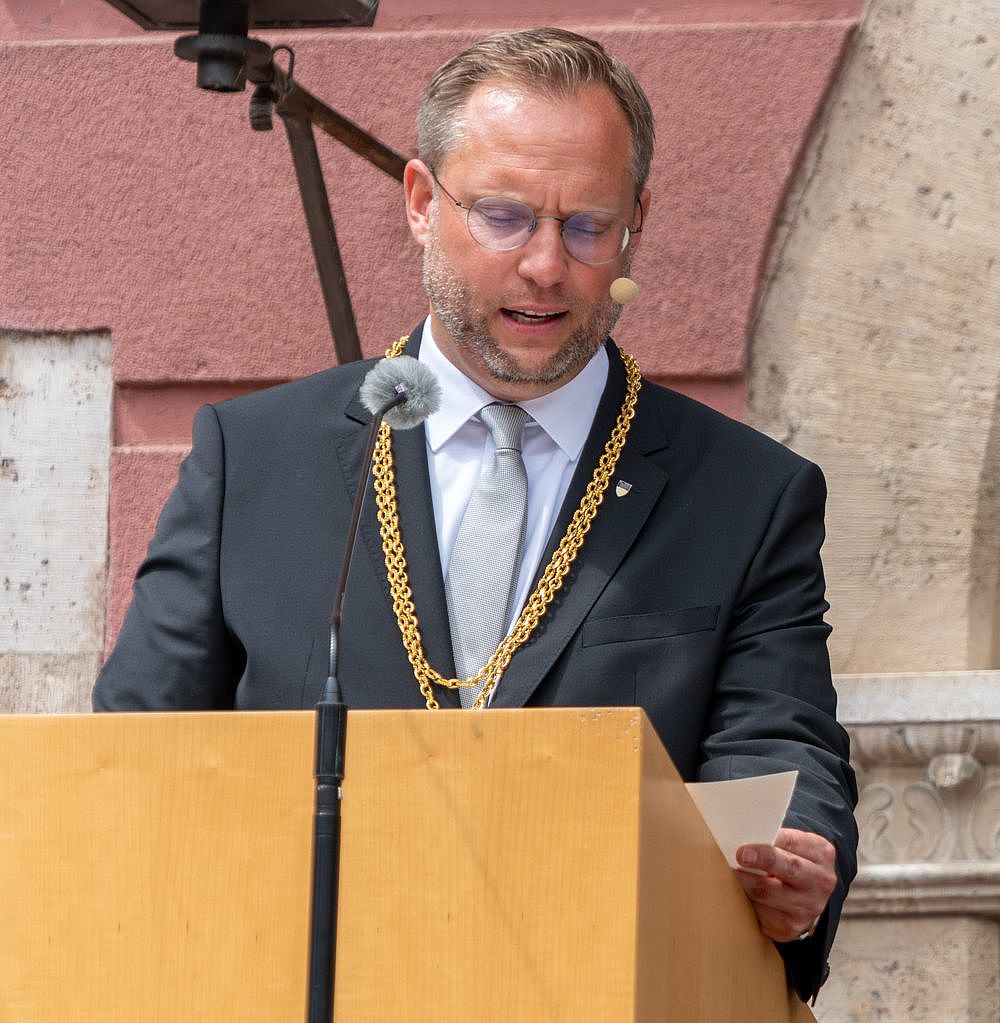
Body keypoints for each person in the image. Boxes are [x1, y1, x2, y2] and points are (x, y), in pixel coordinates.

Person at [95, 28, 855, 1007]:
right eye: (503, 217)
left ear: (636, 223)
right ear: (420, 202)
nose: (545, 265)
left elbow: (778, 748)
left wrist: (794, 859)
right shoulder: (258, 461)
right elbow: (133, 762)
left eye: (587, 225)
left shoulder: (745, 496)